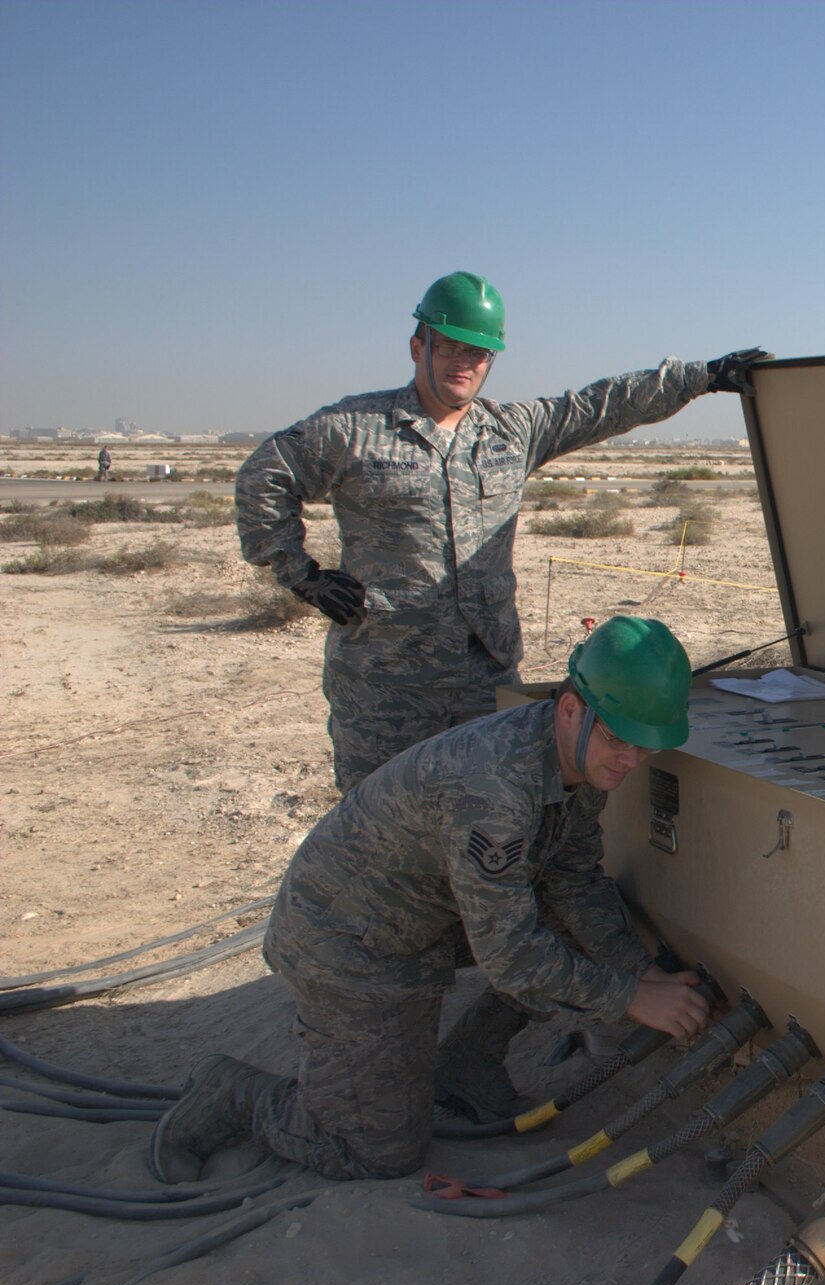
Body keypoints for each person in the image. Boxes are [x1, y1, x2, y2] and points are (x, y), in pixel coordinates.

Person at [148, 616, 713, 1184]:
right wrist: (629, 997)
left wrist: (640, 971)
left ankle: (468, 1066)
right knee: (376, 1153)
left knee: (568, 924)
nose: (629, 761)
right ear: (570, 709)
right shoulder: (493, 790)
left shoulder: (575, 758)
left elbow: (574, 880)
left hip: (423, 919)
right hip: (348, 943)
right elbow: (511, 957)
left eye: (645, 748)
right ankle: (232, 1095)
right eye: (619, 739)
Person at [235, 271, 766, 791]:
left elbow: (603, 405)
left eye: (479, 353)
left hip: (483, 680)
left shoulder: (512, 431)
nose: (465, 363)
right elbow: (264, 476)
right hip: (385, 685)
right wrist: (300, 574)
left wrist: (704, 376)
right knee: (382, 833)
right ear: (418, 345)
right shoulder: (353, 429)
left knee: (489, 816)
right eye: (451, 347)